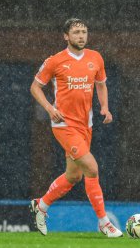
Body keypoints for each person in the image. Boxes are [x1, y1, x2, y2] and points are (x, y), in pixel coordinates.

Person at [29, 18, 123, 238]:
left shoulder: (95, 58)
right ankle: (104, 223)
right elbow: (35, 87)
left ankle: (40, 206)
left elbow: (101, 84)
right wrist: (49, 108)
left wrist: (105, 108)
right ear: (66, 36)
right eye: (76, 32)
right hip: (63, 125)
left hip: (85, 125)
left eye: (84, 32)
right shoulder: (55, 61)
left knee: (73, 177)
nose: (81, 36)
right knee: (92, 168)